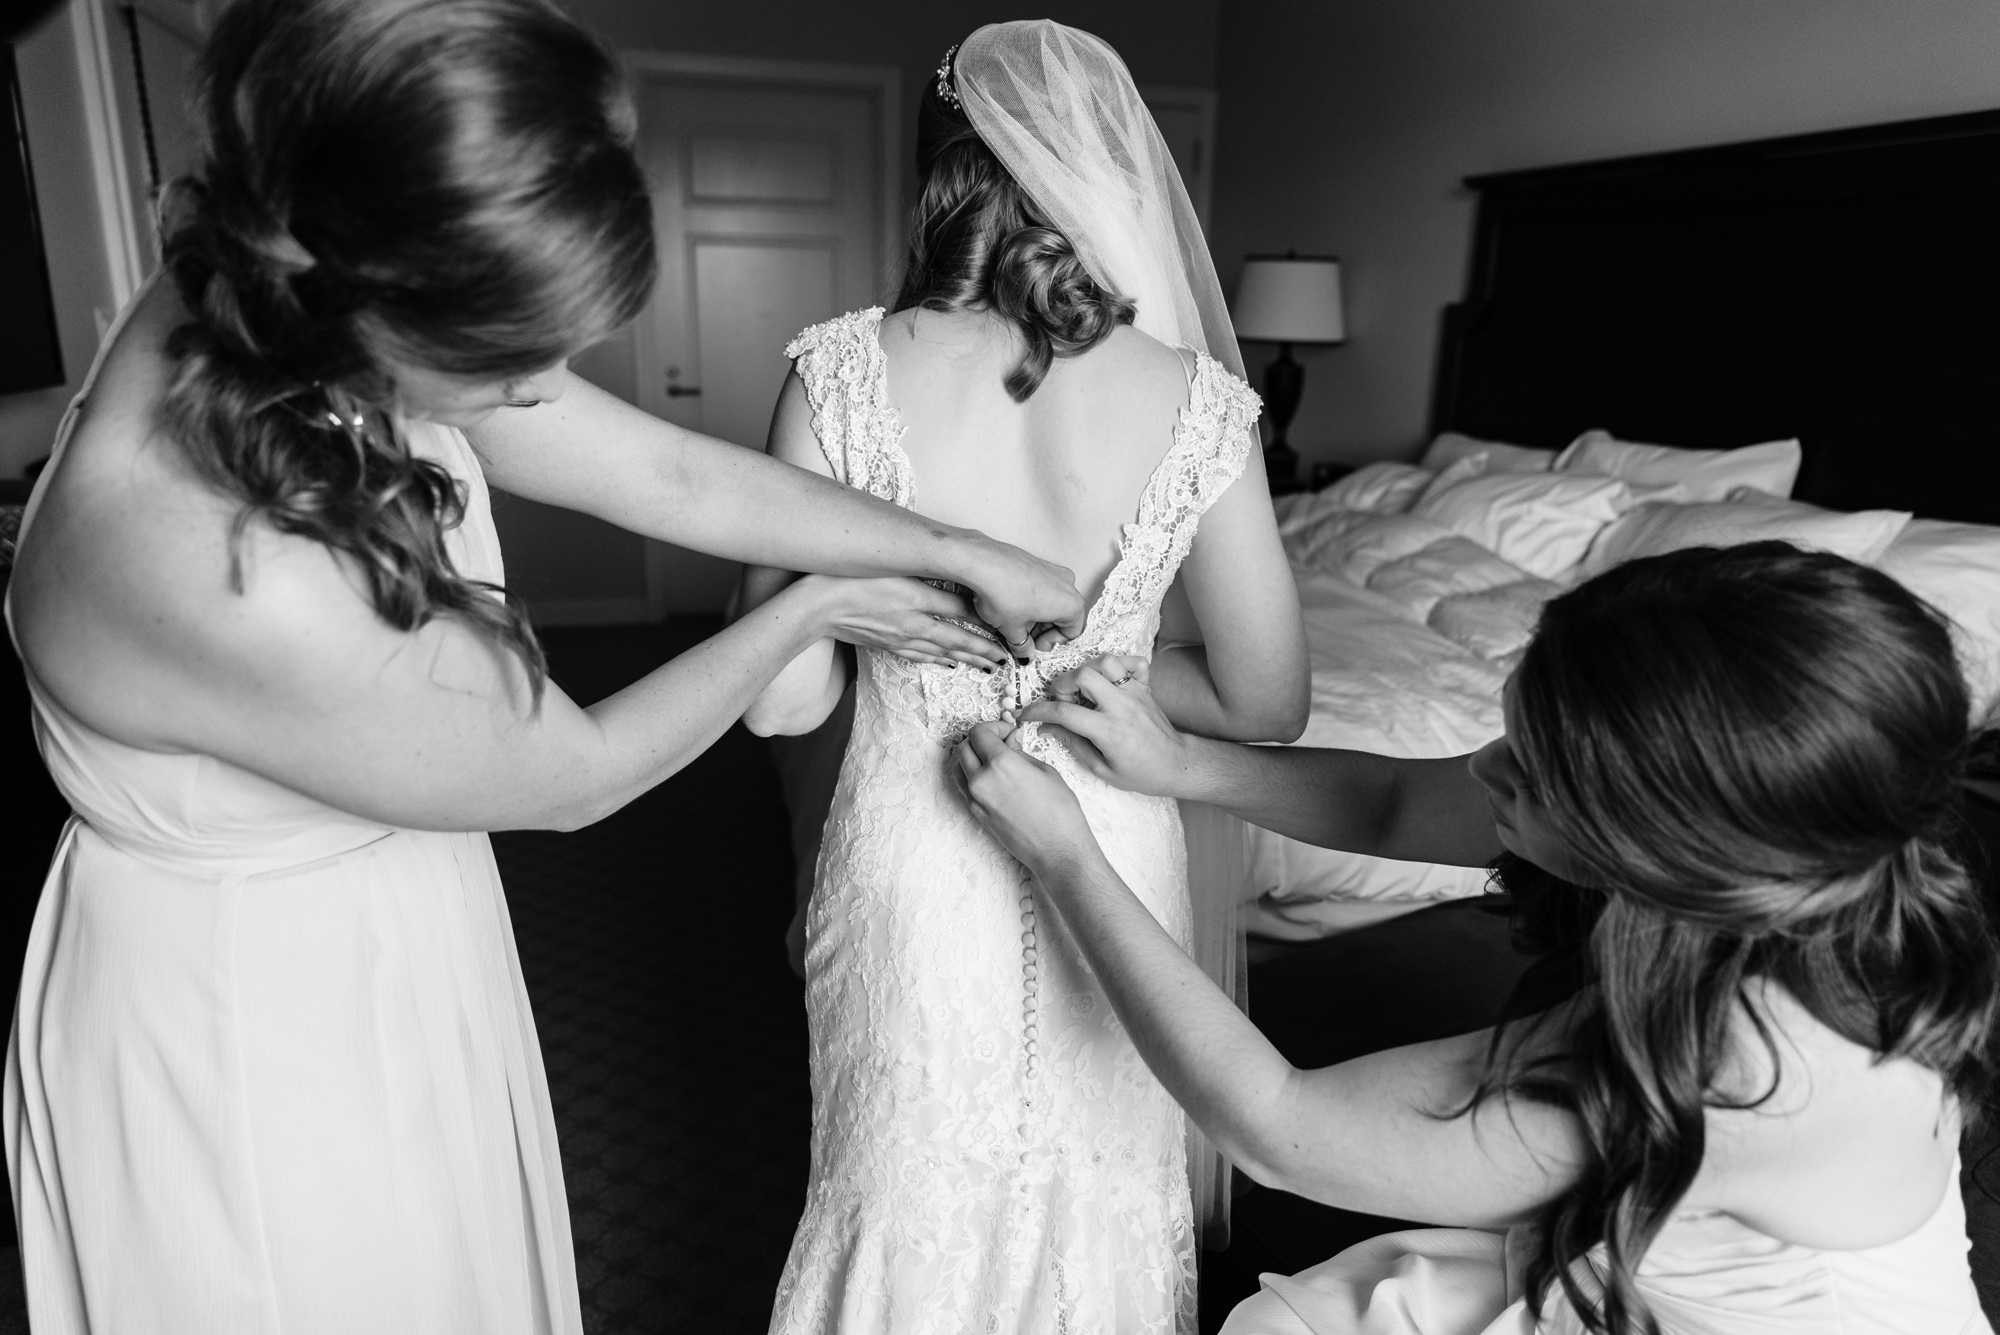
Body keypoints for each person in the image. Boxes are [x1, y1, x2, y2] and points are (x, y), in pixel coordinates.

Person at [2, 1, 1087, 1331]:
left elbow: (666, 468)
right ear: (381, 312)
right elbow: (571, 771)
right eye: (515, 358)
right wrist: (816, 607)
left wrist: (946, 539)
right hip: (254, 1015)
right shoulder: (221, 565)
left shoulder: (288, 275)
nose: (545, 390)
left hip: (384, 901)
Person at [958, 542, 1995, 1335]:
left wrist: (1066, 860)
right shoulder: (1777, 849)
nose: (1486, 772)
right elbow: (1392, 808)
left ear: (1663, 843)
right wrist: (1181, 763)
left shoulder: (1756, 1066)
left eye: (1531, 773)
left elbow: (1275, 1130)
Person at [735, 22, 1309, 1333]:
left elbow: (777, 700)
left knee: (899, 1191)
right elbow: (1271, 702)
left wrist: (863, 619)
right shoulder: (1200, 400)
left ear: (937, 175)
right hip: (1112, 834)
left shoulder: (840, 371)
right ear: (1116, 178)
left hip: (906, 852)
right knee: (1099, 1190)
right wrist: (1114, 670)